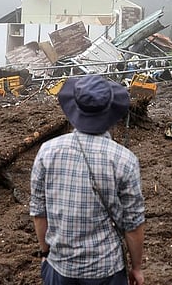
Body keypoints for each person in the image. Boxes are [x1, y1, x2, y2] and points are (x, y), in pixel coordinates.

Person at [30, 75, 145, 285]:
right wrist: (136, 267)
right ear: (111, 112)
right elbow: (133, 224)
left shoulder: (47, 152)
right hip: (107, 270)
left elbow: (39, 212)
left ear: (74, 108)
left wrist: (45, 252)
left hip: (60, 268)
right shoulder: (125, 160)